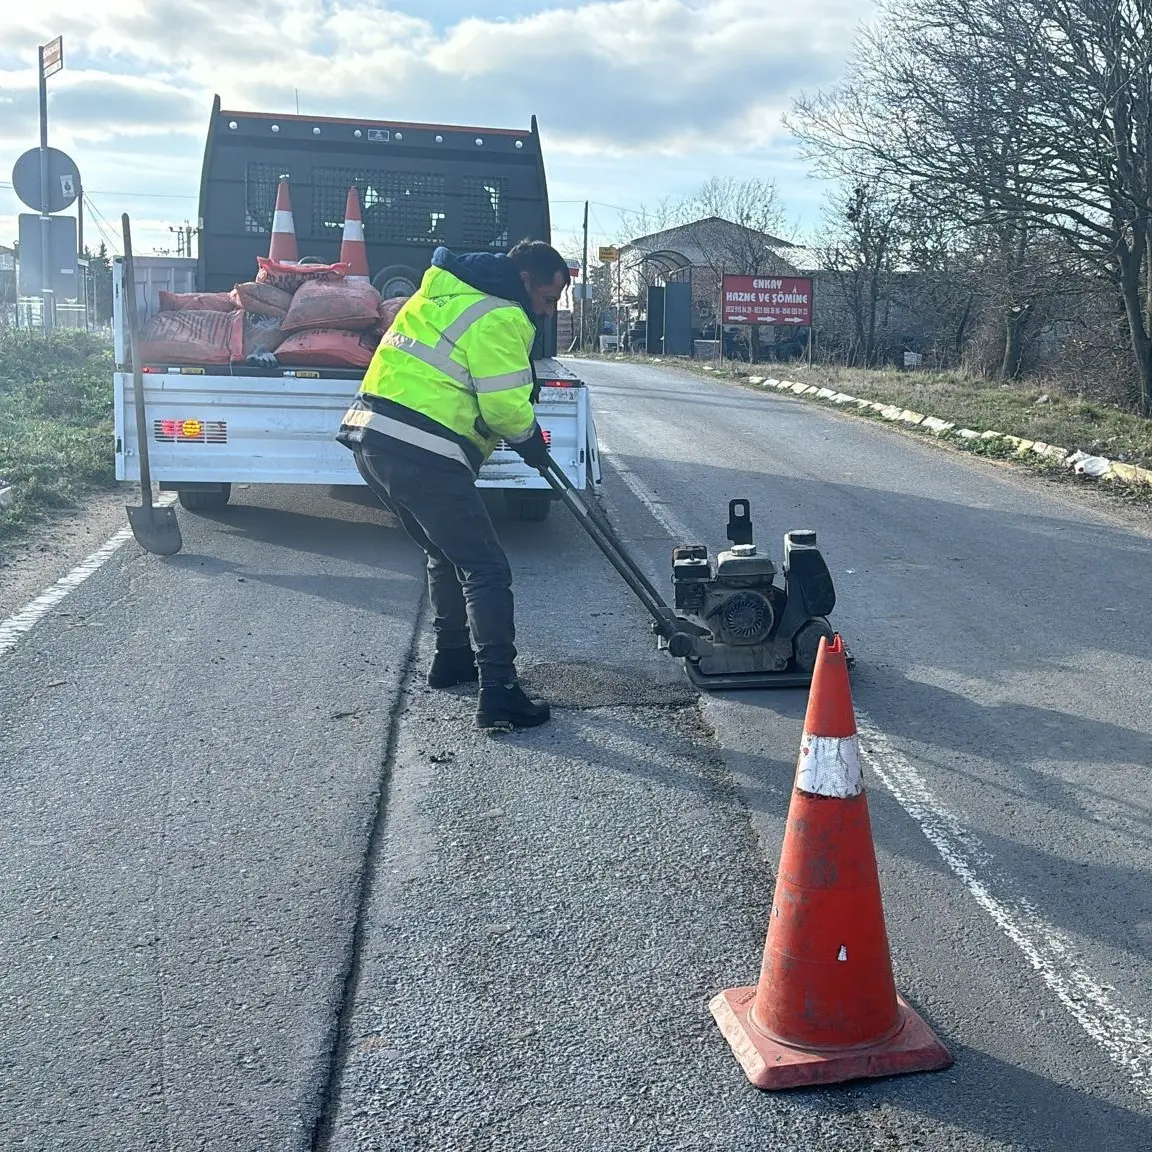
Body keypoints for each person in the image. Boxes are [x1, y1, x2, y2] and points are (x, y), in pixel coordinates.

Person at [336, 239, 570, 731]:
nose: (548, 313)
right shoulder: (501, 314)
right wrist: (531, 441)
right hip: (423, 451)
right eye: (549, 300)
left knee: (445, 553)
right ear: (526, 279)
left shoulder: (441, 293)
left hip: (372, 441)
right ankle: (500, 693)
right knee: (486, 568)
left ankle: (453, 659)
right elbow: (504, 407)